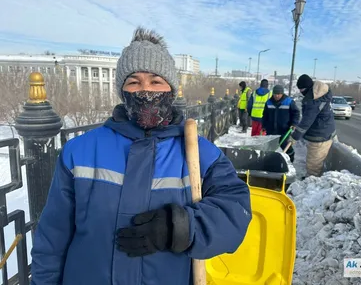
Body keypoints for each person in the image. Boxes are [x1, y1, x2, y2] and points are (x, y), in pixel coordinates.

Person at [30, 27, 252, 285]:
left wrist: (180, 227)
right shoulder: (79, 152)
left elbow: (235, 213)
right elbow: (52, 238)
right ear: (122, 91)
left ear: (171, 88)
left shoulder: (201, 155)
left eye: (156, 81)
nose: (145, 90)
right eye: (133, 81)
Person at [289, 74, 336, 177]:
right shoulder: (319, 94)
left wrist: (295, 136)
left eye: (301, 89)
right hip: (324, 131)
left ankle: (311, 185)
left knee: (313, 165)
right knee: (313, 161)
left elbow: (306, 121)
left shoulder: (314, 101)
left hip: (320, 136)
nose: (301, 92)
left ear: (307, 88)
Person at [261, 85, 300, 162]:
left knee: (286, 147)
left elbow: (296, 113)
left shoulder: (289, 102)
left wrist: (294, 123)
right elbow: (265, 115)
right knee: (270, 149)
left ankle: (290, 161)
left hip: (284, 130)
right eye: (275, 94)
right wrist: (264, 126)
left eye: (279, 94)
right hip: (271, 130)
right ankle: (270, 163)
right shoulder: (268, 102)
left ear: (282, 93)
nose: (277, 95)